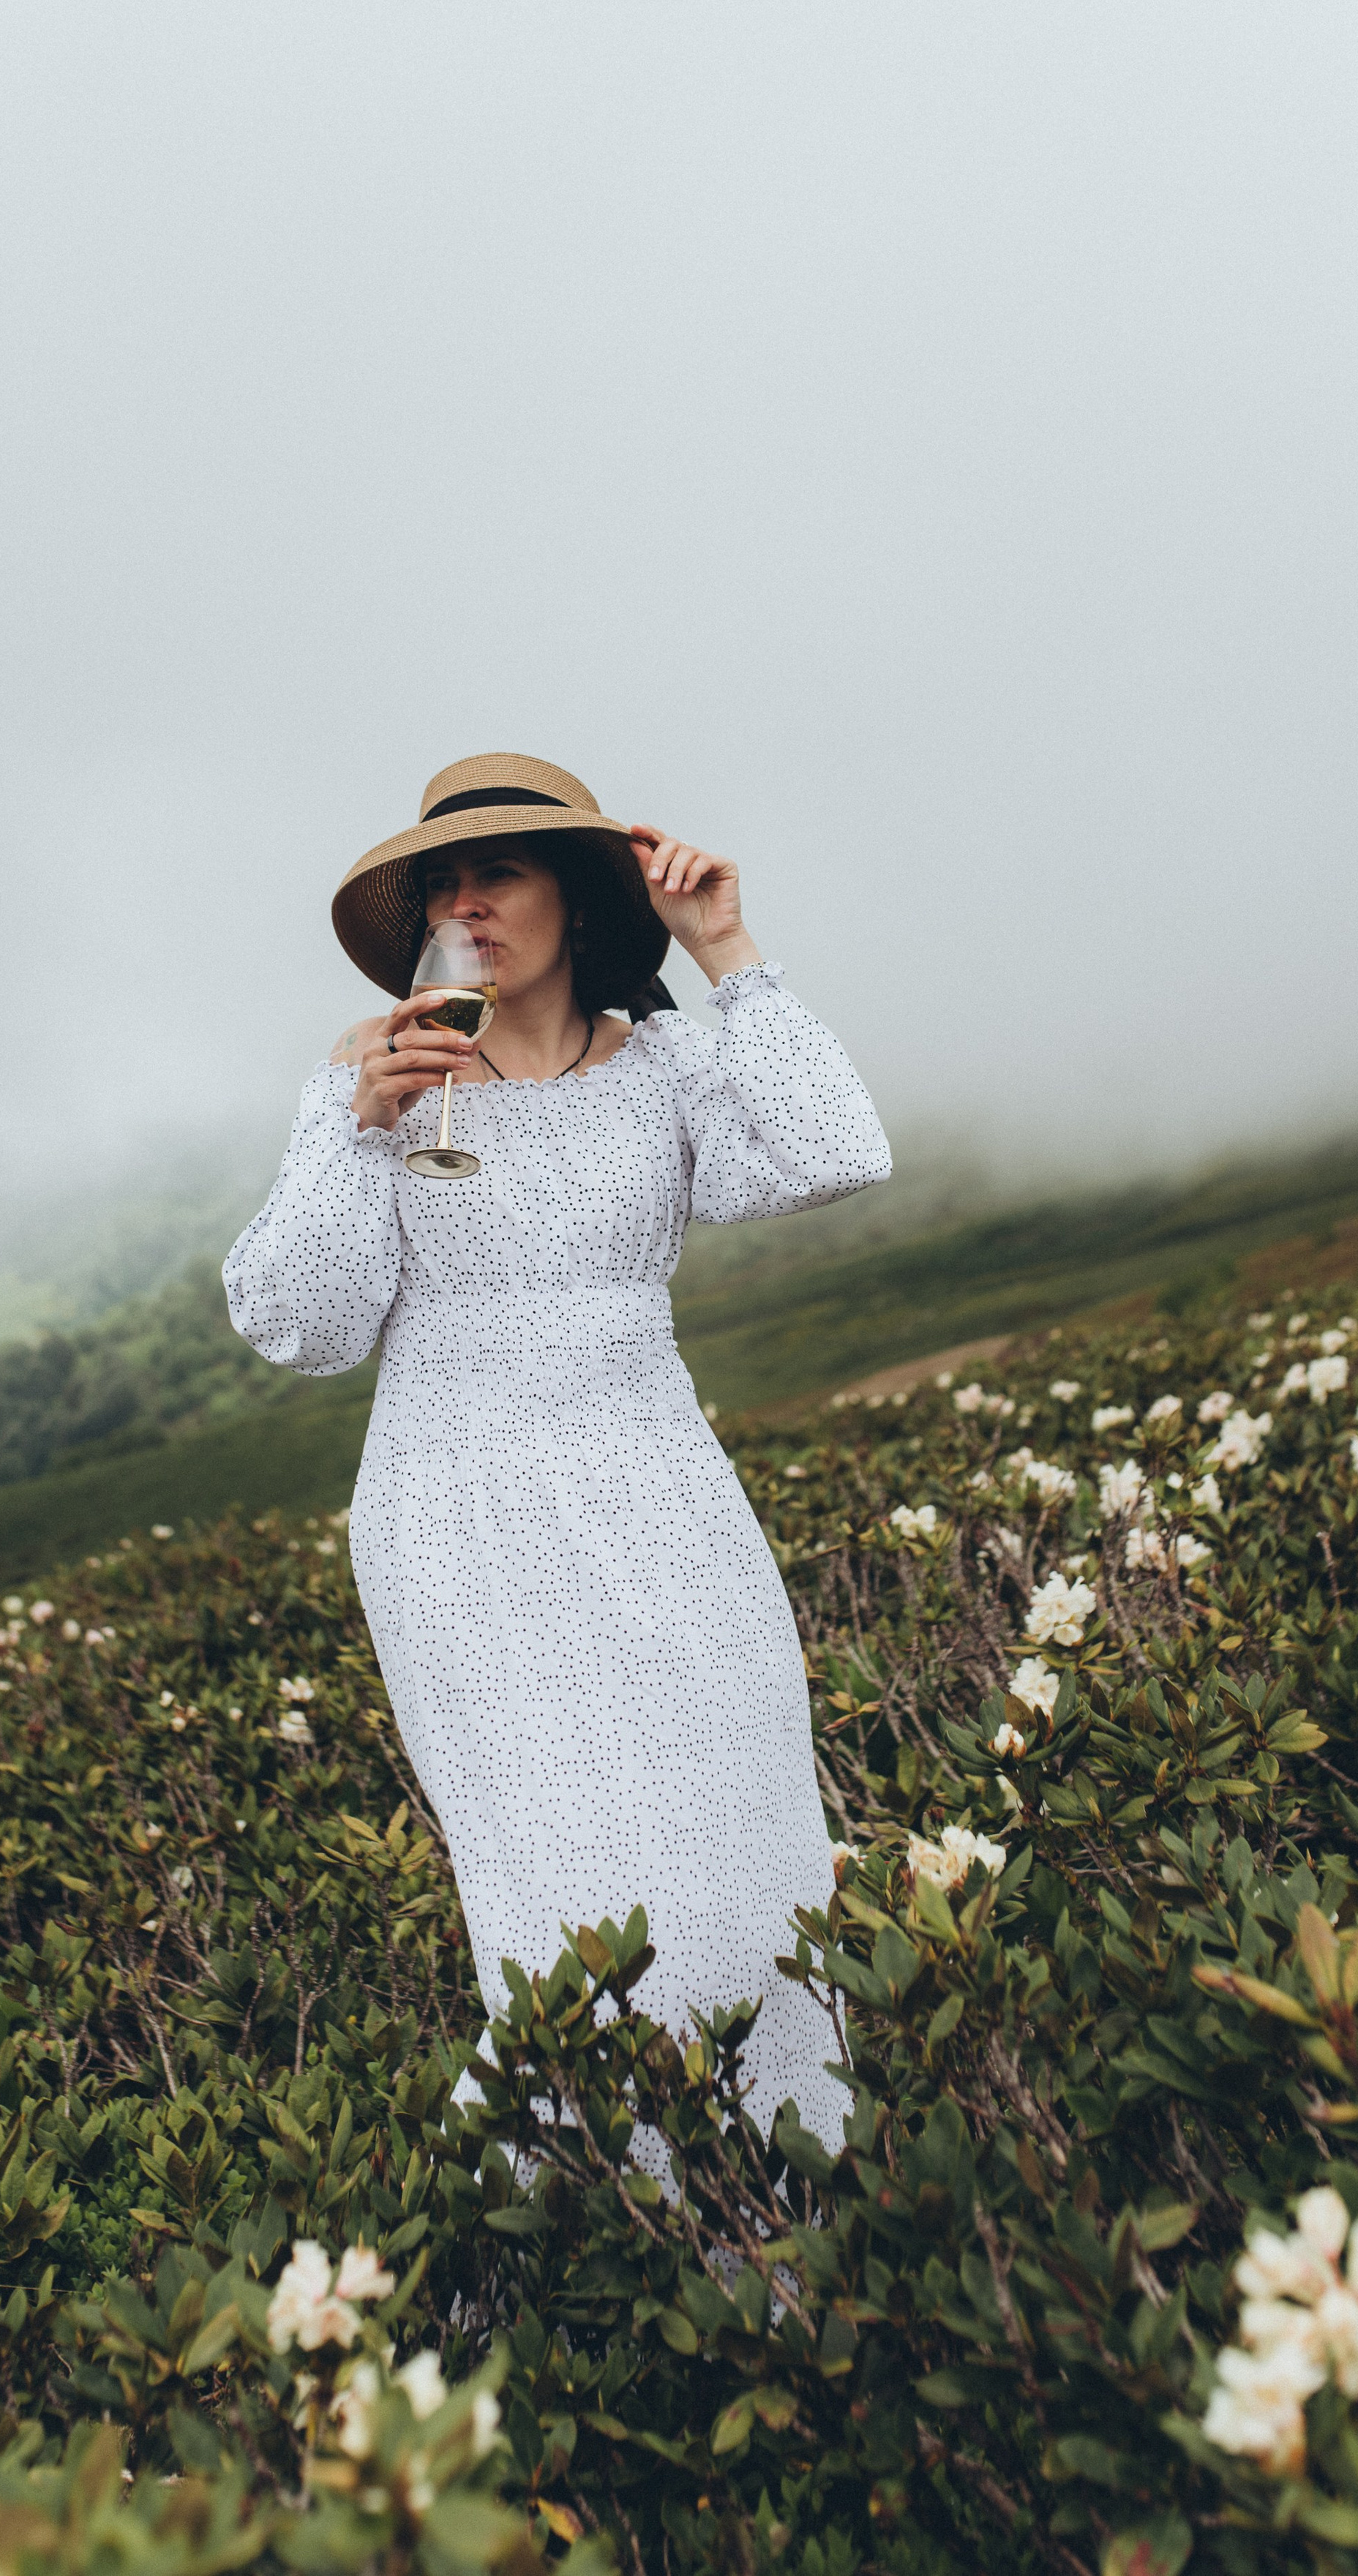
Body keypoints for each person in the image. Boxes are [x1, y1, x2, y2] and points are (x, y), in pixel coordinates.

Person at [224, 753, 890, 2149]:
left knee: (747, 1869)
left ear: (576, 897)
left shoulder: (667, 1069)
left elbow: (836, 1149)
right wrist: (362, 1132)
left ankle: (789, 2219)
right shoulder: (367, 1084)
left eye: (498, 871)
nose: (466, 902)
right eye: (444, 882)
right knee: (574, 1902)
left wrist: (729, 950)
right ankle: (583, 2247)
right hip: (464, 1521)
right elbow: (303, 1327)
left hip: (661, 1498)